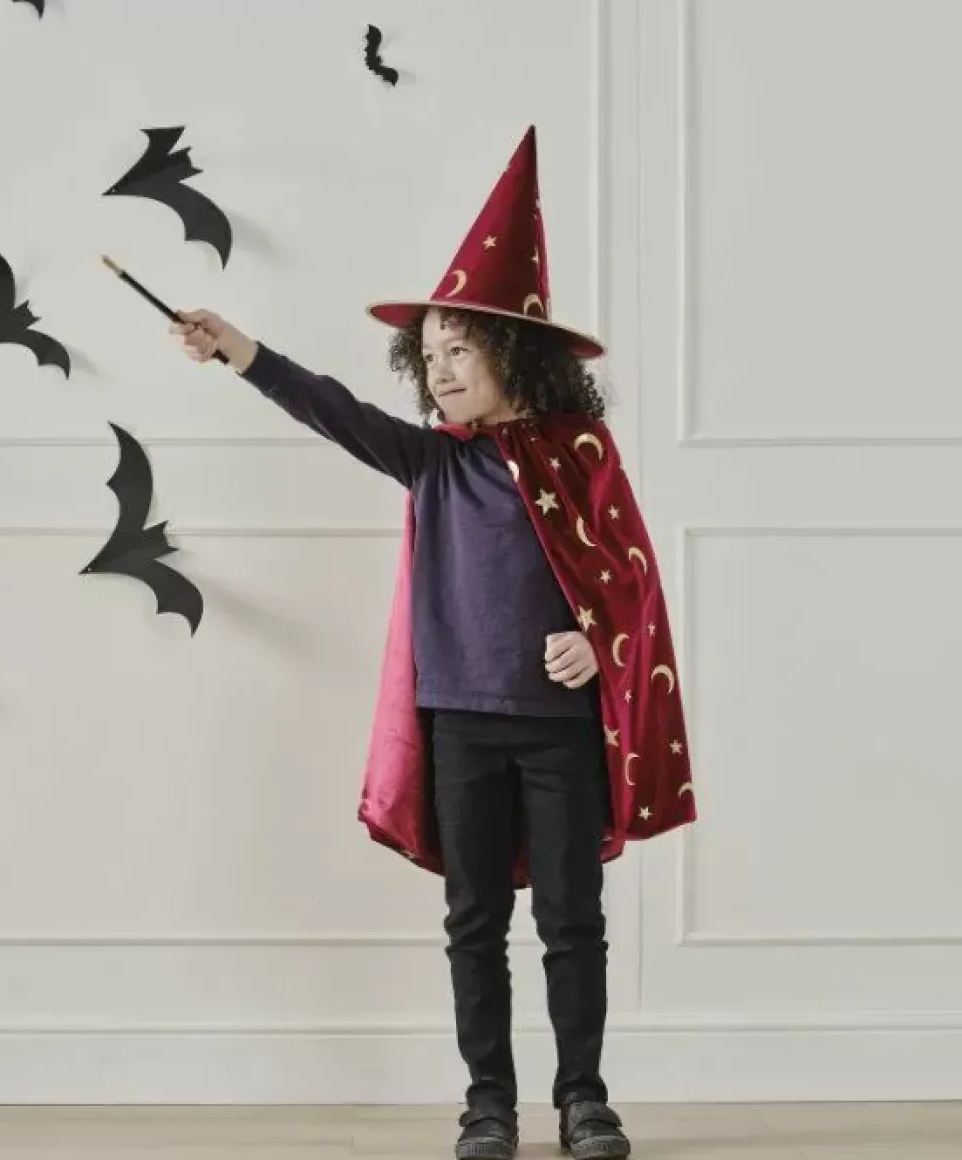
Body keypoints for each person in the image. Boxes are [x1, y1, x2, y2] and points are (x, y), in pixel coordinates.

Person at [171, 126, 694, 1160]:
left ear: (517, 354)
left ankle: (582, 1098)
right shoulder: (432, 462)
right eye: (431, 353)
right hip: (460, 722)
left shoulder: (583, 454)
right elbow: (332, 409)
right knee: (472, 922)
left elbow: (629, 578)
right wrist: (240, 350)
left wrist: (595, 641)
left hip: (558, 730)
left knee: (571, 920)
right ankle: (486, 1102)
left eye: (461, 349)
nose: (439, 368)